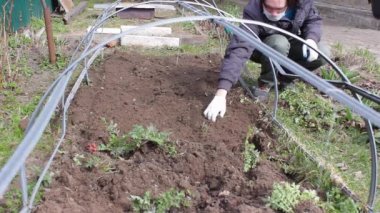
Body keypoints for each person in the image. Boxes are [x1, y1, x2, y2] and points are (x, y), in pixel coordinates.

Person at [204, 0, 330, 122]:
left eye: (279, 9)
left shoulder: (302, 3)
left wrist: (311, 39)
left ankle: (283, 78)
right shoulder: (254, 10)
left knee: (323, 52)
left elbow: (313, 20)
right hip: (262, 48)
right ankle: (265, 83)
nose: (274, 14)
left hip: (289, 43)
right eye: (269, 8)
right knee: (279, 43)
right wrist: (221, 94)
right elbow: (240, 48)